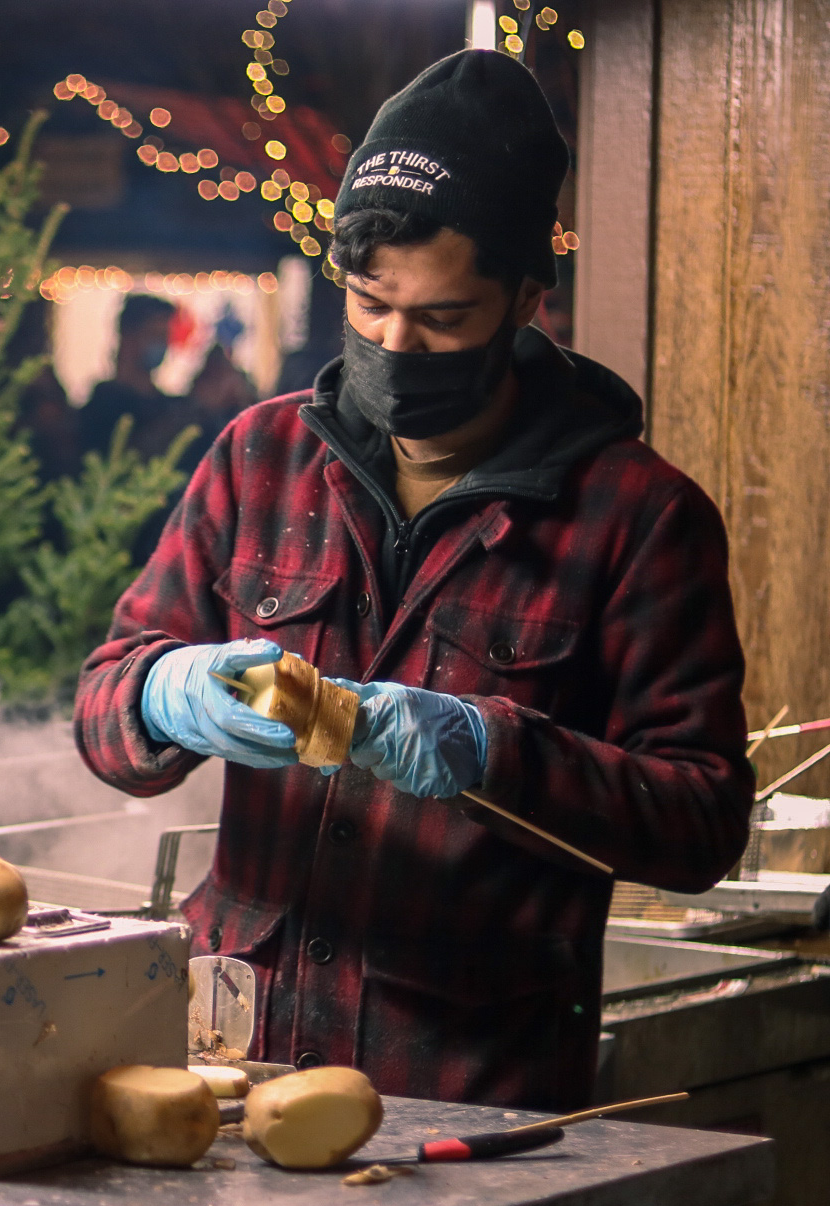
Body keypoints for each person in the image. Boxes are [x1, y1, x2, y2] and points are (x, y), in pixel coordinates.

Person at [73, 50, 751, 1111]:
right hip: (229, 1062)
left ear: (528, 298)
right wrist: (165, 694)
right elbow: (103, 705)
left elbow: (703, 822)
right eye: (370, 302)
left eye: (441, 319)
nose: (395, 342)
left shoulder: (637, 517)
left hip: (468, 1082)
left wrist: (493, 749)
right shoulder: (259, 459)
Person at [76, 294, 201, 468]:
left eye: (164, 336)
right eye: (153, 335)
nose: (161, 344)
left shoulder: (170, 403)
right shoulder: (103, 405)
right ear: (128, 337)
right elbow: (121, 461)